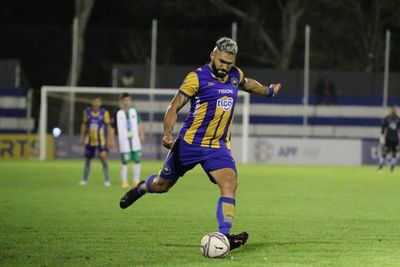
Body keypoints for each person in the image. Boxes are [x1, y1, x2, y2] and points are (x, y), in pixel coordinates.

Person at [119, 37, 282, 251]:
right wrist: (167, 133)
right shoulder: (197, 78)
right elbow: (173, 107)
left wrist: (268, 90)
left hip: (217, 146)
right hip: (189, 144)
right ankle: (141, 188)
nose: (225, 67)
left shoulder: (235, 74)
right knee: (162, 185)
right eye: (222, 61)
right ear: (213, 55)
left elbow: (248, 84)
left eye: (229, 63)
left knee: (230, 183)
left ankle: (224, 236)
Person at [79, 97, 114, 186]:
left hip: (101, 141)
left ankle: (107, 179)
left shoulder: (104, 113)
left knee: (103, 158)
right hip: (89, 141)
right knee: (88, 160)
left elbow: (108, 126)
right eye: (95, 101)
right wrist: (82, 137)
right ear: (92, 102)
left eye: (99, 102)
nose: (97, 103)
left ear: (101, 103)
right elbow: (84, 124)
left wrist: (110, 139)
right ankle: (84, 179)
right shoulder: (87, 112)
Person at [115, 93, 145, 188]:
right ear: (122, 101)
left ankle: (136, 180)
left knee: (137, 160)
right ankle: (124, 181)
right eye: (125, 100)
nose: (127, 102)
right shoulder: (118, 113)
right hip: (124, 141)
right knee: (124, 161)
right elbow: (113, 127)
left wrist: (141, 134)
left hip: (135, 140)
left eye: (128, 100)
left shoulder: (134, 111)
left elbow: (139, 123)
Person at [378, 105, 400, 172]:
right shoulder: (387, 118)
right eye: (392, 109)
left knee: (394, 153)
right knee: (384, 152)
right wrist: (382, 137)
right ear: (390, 110)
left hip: (395, 139)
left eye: (394, 109)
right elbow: (383, 128)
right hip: (388, 138)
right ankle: (380, 167)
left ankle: (392, 169)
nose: (393, 110)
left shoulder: (398, 119)